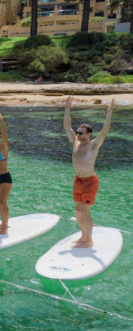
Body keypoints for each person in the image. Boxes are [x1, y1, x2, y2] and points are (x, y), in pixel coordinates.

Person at [64, 96, 114, 248]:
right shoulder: (75, 143)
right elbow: (67, 127)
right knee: (78, 209)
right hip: (77, 180)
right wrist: (67, 109)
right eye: (77, 132)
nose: (77, 134)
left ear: (88, 134)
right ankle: (83, 236)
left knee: (85, 210)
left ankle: (89, 240)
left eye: (80, 133)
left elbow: (104, 131)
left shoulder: (93, 146)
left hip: (90, 182)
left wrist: (109, 113)